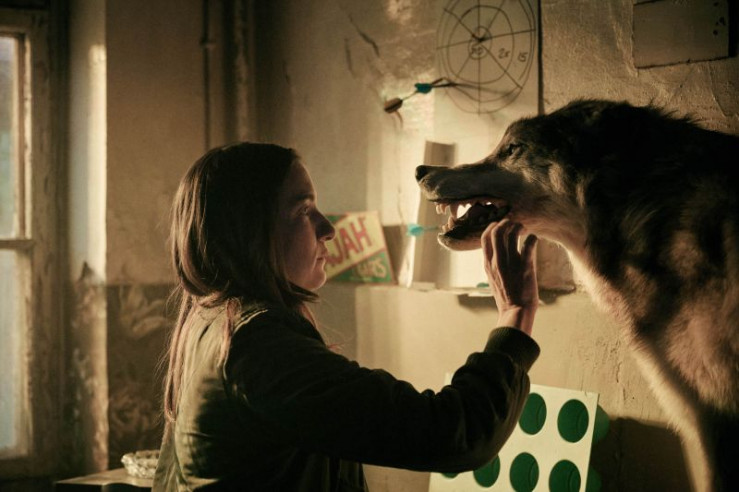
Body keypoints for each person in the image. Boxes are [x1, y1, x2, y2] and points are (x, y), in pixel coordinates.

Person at [153, 142, 540, 491]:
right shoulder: (256, 344)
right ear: (249, 231)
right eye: (303, 210)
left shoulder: (211, 319)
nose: (328, 228)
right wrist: (515, 313)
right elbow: (454, 433)